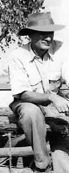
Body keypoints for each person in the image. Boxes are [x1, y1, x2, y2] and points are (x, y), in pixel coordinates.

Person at [8, 12, 69, 172]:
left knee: (62, 132)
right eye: (43, 33)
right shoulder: (17, 56)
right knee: (31, 112)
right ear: (30, 35)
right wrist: (51, 97)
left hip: (53, 106)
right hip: (26, 102)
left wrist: (57, 100)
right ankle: (42, 165)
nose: (49, 38)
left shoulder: (61, 50)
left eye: (50, 33)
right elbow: (22, 94)